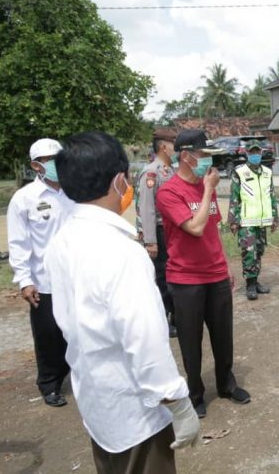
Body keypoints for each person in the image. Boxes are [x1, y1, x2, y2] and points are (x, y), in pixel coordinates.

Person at [45, 131, 200, 473]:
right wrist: (178, 402)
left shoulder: (62, 240)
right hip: (136, 412)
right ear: (119, 181)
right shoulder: (121, 250)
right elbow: (143, 338)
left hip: (97, 398)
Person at [156, 129, 250, 418]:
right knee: (190, 340)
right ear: (185, 156)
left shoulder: (202, 186)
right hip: (186, 280)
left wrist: (225, 265)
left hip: (215, 275)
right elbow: (194, 228)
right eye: (202, 156)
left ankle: (226, 383)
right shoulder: (168, 192)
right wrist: (209, 189)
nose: (208, 163)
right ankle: (195, 394)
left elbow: (211, 230)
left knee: (223, 336)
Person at [6, 138, 72, 407]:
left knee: (80, 330)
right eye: (50, 160)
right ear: (36, 165)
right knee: (49, 336)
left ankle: (82, 375)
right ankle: (50, 383)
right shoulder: (24, 199)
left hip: (77, 277)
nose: (58, 164)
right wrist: (24, 280)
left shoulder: (74, 191)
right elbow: (18, 243)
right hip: (45, 282)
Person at [136, 128, 178, 337]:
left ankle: (177, 316)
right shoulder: (151, 173)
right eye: (173, 144)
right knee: (162, 278)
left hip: (173, 231)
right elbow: (147, 209)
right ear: (163, 146)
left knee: (175, 274)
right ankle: (164, 319)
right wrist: (151, 241)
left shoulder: (171, 170)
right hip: (159, 232)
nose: (176, 148)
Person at [228, 141, 278, 301]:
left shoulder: (267, 173)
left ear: (261, 153)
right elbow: (234, 197)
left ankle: (255, 282)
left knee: (259, 251)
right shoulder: (239, 172)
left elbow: (272, 195)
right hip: (246, 221)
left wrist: (274, 217)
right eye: (252, 152)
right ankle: (250, 284)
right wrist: (233, 220)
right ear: (246, 153)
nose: (255, 154)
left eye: (257, 152)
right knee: (249, 253)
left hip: (262, 220)